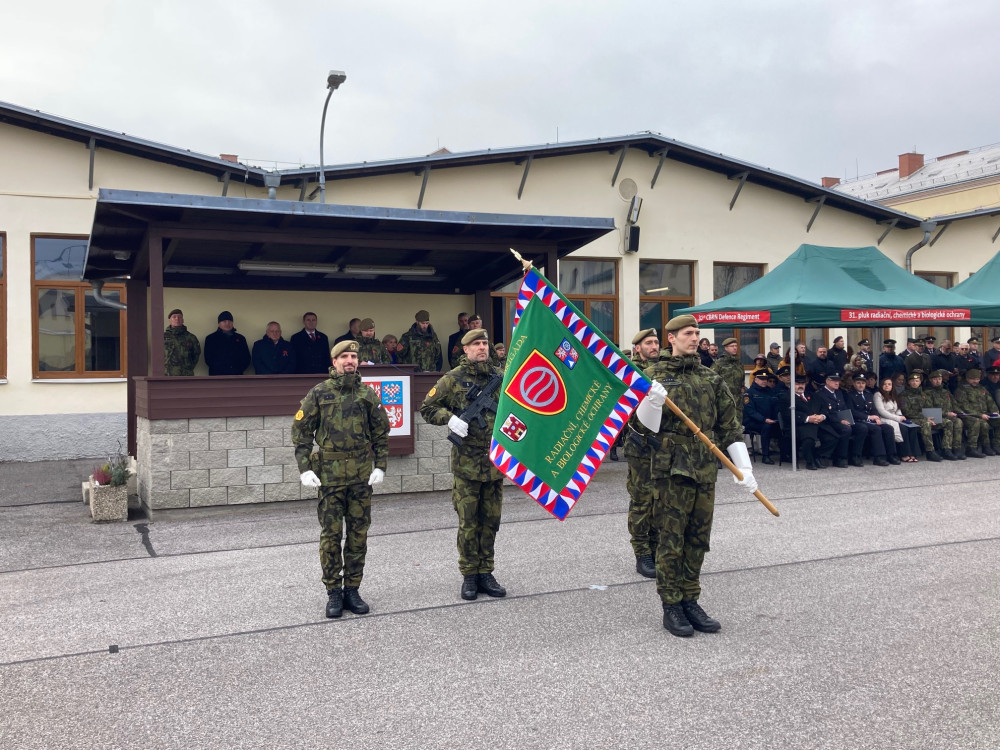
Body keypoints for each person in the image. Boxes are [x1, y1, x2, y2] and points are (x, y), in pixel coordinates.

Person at [633, 315, 753, 637]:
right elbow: (638, 428)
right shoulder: (652, 375)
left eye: (697, 333)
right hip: (670, 468)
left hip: (704, 468)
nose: (694, 337)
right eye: (688, 333)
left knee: (698, 539)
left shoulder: (710, 378)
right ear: (671, 338)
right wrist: (651, 403)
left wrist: (745, 469)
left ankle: (691, 599)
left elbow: (730, 427)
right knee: (670, 541)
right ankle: (671, 604)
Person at [292, 340, 390, 619]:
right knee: (331, 536)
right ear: (334, 361)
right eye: (344, 356)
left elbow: (381, 433)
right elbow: (300, 434)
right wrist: (304, 468)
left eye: (354, 356)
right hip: (330, 478)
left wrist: (380, 466)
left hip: (360, 476)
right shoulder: (319, 393)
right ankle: (334, 591)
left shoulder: (367, 394)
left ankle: (353, 589)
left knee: (358, 534)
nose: (350, 361)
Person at [420, 328, 506, 601]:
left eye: (485, 343)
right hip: (467, 465)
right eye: (476, 344)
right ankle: (470, 575)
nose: (482, 347)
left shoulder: (501, 377)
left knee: (490, 521)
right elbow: (427, 408)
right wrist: (450, 418)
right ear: (465, 349)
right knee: (468, 522)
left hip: (493, 464)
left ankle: (486, 572)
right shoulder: (452, 379)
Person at [623, 328, 664, 579]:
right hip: (640, 446)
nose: (654, 346)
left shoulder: (664, 370)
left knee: (660, 499)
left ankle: (656, 545)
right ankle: (642, 552)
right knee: (642, 499)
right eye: (649, 343)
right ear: (637, 347)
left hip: (663, 445)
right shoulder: (630, 372)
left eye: (656, 342)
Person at [778, 373, 834, 470]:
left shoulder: (813, 395)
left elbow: (824, 407)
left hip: (817, 423)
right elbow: (787, 415)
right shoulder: (786, 398)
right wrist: (808, 418)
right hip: (798, 425)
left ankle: (817, 456)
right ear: (792, 385)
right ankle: (810, 461)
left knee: (833, 437)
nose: (800, 386)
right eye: (797, 384)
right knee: (809, 439)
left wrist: (822, 416)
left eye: (802, 384)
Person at [845, 372, 896, 466]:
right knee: (873, 429)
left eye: (863, 383)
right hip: (856, 421)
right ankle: (866, 456)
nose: (861, 385)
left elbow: (873, 409)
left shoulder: (868, 394)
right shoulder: (849, 395)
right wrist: (868, 417)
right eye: (858, 383)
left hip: (869, 421)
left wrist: (876, 417)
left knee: (888, 428)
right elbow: (851, 411)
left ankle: (891, 455)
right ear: (854, 383)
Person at [953, 369, 998, 458]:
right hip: (968, 416)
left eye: (977, 379)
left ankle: (996, 445)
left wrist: (996, 412)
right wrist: (980, 415)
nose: (975, 381)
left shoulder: (981, 388)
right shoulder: (961, 390)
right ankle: (971, 448)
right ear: (967, 378)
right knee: (980, 423)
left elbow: (990, 402)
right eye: (973, 379)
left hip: (985, 414)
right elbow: (964, 407)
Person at [874, 376, 921, 462]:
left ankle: (913, 453)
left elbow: (898, 409)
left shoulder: (893, 395)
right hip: (885, 418)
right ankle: (904, 454)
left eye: (889, 384)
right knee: (903, 428)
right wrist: (898, 418)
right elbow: (881, 411)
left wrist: (900, 416)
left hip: (895, 417)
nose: (887, 386)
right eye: (884, 384)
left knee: (912, 426)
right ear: (881, 385)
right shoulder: (878, 395)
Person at [811, 373, 853, 468]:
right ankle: (839, 457)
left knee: (857, 428)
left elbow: (843, 408)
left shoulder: (839, 393)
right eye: (834, 381)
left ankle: (851, 456)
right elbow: (824, 412)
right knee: (845, 430)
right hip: (827, 422)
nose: (837, 383)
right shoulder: (820, 394)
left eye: (838, 381)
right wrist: (840, 421)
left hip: (839, 420)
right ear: (827, 381)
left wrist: (847, 419)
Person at [900, 371, 942, 461]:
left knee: (948, 422)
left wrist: (933, 417)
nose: (915, 383)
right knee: (926, 424)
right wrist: (925, 418)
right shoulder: (903, 395)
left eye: (917, 381)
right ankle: (930, 451)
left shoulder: (924, 395)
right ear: (909, 382)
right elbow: (906, 412)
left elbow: (929, 408)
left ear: (920, 382)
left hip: (926, 418)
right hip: (910, 420)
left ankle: (947, 450)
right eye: (913, 381)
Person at [925, 370, 963, 460]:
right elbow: (929, 410)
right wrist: (946, 413)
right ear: (930, 380)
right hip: (935, 418)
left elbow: (954, 404)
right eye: (935, 379)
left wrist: (961, 413)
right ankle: (947, 450)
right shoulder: (927, 393)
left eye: (940, 379)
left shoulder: (946, 392)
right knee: (948, 422)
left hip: (948, 416)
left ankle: (956, 448)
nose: (938, 381)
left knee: (958, 421)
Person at [744, 368, 779, 464]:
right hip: (753, 421)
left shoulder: (770, 391)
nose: (764, 381)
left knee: (783, 426)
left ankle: (786, 454)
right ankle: (765, 455)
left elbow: (775, 406)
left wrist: (777, 418)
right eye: (761, 379)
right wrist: (764, 419)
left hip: (769, 420)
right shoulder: (749, 393)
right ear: (756, 380)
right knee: (766, 427)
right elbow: (750, 411)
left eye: (765, 379)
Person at [204, 311, 251, 376]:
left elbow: (246, 358)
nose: (227, 323)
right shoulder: (210, 339)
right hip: (217, 376)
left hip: (237, 376)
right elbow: (208, 359)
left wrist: (238, 369)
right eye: (224, 321)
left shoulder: (240, 338)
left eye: (230, 321)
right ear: (219, 323)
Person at [712, 337, 746, 425]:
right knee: (725, 425)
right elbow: (712, 381)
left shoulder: (739, 363)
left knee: (738, 426)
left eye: (736, 346)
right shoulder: (719, 363)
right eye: (732, 346)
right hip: (724, 400)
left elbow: (742, 381)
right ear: (726, 348)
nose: (735, 348)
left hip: (738, 401)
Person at [163, 308, 201, 376]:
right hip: (167, 375)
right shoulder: (163, 337)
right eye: (174, 317)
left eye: (179, 317)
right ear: (170, 320)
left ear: (183, 320)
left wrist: (188, 367)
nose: (177, 319)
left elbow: (196, 355)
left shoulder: (191, 337)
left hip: (186, 375)